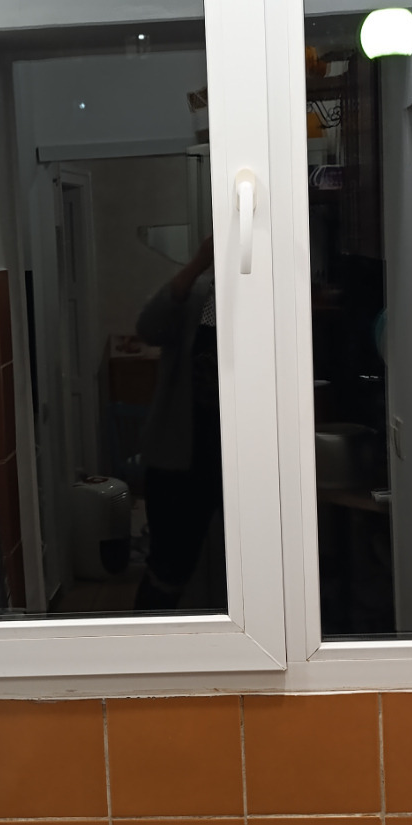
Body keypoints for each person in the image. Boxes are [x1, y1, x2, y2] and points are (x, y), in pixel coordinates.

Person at [133, 235, 224, 611]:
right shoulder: (198, 294)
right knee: (168, 568)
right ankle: (148, 642)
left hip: (236, 459)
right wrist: (198, 263)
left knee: (241, 566)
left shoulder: (267, 302)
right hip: (178, 457)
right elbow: (148, 328)